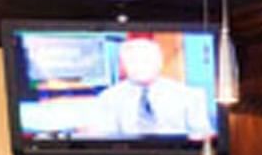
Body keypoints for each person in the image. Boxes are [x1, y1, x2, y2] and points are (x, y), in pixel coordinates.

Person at [85, 36, 214, 139]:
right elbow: (104, 138)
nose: (140, 66)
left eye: (146, 60)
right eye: (133, 61)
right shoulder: (108, 98)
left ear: (159, 62)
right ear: (124, 66)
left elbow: (204, 136)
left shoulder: (188, 96)